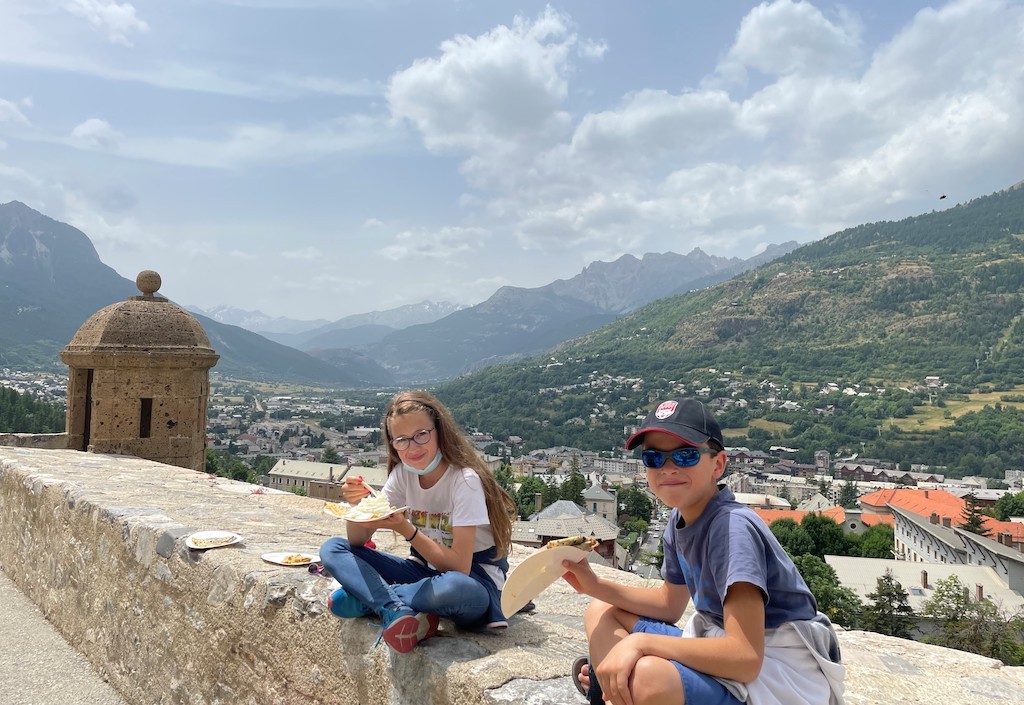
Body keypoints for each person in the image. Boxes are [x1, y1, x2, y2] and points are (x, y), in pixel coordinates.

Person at [562, 398, 845, 705]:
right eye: (654, 458)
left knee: (646, 676)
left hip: (778, 675)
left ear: (718, 464)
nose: (668, 469)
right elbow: (670, 605)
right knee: (601, 610)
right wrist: (595, 586)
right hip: (721, 643)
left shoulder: (732, 529)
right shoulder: (680, 517)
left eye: (684, 455)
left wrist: (641, 644)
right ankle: (612, 689)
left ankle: (618, 687)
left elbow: (746, 658)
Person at [319, 390, 517, 655]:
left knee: (453, 586)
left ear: (439, 431)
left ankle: (372, 598)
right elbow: (357, 540)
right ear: (392, 444)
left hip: (473, 582)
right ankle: (394, 608)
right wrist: (359, 507)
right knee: (334, 548)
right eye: (401, 440)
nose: (412, 448)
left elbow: (459, 567)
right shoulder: (403, 475)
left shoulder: (464, 480)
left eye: (421, 435)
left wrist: (406, 529)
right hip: (423, 573)